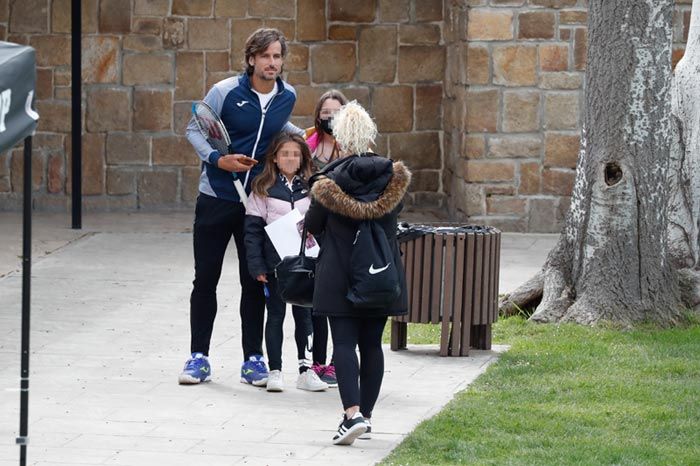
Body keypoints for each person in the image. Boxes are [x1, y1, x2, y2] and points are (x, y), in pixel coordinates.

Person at [179, 28, 303, 386]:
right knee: (206, 279)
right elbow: (194, 129)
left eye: (277, 56)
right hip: (216, 199)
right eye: (265, 56)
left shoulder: (287, 96)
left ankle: (253, 360)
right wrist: (218, 160)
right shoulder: (225, 91)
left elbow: (278, 128)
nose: (272, 63)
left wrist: (311, 139)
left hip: (258, 205)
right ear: (251, 59)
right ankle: (198, 358)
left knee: (256, 281)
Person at [304, 101, 411, 445]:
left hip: (340, 269)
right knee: (372, 344)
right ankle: (367, 414)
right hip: (380, 269)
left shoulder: (330, 179)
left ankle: (352, 415)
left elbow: (313, 224)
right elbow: (394, 218)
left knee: (345, 343)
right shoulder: (392, 176)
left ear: (340, 137)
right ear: (370, 134)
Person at [244, 133, 328, 393]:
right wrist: (257, 266)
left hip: (305, 268)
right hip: (275, 268)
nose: (290, 158)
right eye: (285, 154)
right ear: (275, 158)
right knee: (275, 316)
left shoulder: (313, 188)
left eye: (295, 154)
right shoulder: (262, 188)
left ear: (303, 157)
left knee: (305, 318)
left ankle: (306, 371)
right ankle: (275, 370)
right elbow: (252, 231)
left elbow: (324, 228)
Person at [303, 89, 349, 388]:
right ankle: (316, 361)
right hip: (313, 227)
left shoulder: (352, 147)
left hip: (341, 231)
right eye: (325, 112)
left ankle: (336, 361)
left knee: (339, 299)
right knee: (315, 298)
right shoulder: (309, 146)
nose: (329, 117)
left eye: (335, 112)